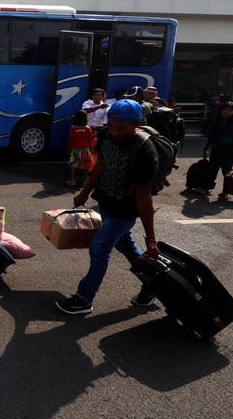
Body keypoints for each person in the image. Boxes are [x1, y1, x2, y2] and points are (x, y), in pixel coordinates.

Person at [56, 100, 160, 315]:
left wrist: (151, 238)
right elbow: (100, 166)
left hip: (125, 210)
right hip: (106, 202)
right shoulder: (105, 134)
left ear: (137, 124)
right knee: (126, 247)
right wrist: (84, 192)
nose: (116, 132)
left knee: (99, 248)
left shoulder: (145, 151)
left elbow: (144, 197)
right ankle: (152, 284)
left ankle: (84, 299)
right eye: (112, 126)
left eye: (122, 128)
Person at [203, 102, 233, 201]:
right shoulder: (218, 121)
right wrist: (205, 148)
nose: (227, 112)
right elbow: (211, 137)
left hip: (227, 152)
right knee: (212, 170)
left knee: (226, 173)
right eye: (225, 109)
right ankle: (206, 188)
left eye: (230, 110)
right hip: (216, 150)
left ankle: (225, 193)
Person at [66, 110, 94, 187]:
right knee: (86, 165)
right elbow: (89, 139)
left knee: (73, 165)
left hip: (75, 149)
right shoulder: (88, 128)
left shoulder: (73, 128)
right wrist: (91, 149)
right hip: (86, 149)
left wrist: (69, 148)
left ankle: (72, 180)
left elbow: (71, 139)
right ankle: (85, 181)